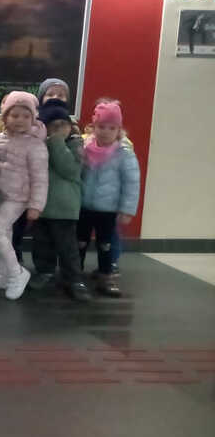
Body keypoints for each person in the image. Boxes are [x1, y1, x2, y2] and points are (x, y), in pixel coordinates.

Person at [0, 91, 48, 301]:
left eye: (26, 116)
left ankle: (17, 273)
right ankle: (4, 275)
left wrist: (36, 205)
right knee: (6, 234)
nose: (20, 120)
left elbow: (40, 178)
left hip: (18, 197)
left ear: (33, 117)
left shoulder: (35, 144)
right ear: (5, 116)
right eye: (15, 115)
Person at [79, 100, 140, 297]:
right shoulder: (84, 148)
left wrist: (127, 210)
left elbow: (132, 183)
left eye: (111, 128)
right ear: (93, 127)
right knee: (79, 241)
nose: (106, 132)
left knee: (105, 244)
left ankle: (106, 276)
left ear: (118, 130)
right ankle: (74, 275)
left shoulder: (124, 154)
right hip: (84, 206)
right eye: (101, 126)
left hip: (108, 209)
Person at [33, 98, 87, 300]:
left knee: (68, 248)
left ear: (70, 126)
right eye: (53, 126)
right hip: (43, 206)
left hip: (65, 208)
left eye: (62, 125)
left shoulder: (75, 145)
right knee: (42, 245)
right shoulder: (39, 145)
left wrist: (56, 142)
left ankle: (74, 279)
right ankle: (44, 272)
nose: (58, 129)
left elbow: (70, 170)